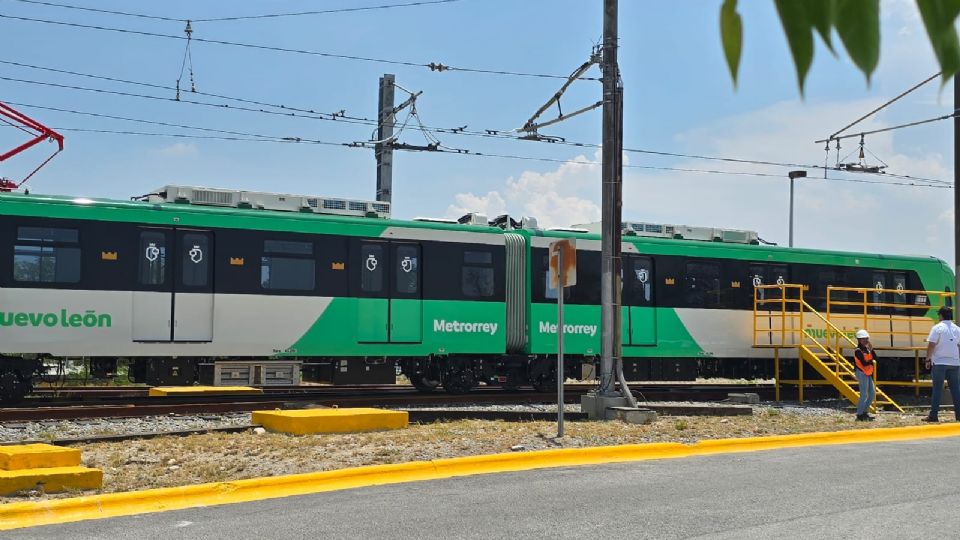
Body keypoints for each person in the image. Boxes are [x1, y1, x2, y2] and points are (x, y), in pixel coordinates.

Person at [922, 306, 960, 422]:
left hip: (939, 363)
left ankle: (933, 415)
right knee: (956, 390)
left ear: (941, 315)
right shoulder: (957, 329)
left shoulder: (937, 328)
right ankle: (959, 415)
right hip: (954, 363)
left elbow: (931, 345)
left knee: (937, 389)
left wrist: (928, 360)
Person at [853, 329, 876, 421]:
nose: (865, 340)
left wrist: (871, 349)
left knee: (872, 394)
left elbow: (876, 358)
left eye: (866, 338)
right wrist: (870, 361)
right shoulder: (857, 350)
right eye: (863, 339)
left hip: (867, 373)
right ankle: (859, 414)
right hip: (861, 373)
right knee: (864, 394)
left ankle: (865, 412)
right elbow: (864, 363)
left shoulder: (867, 350)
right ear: (859, 340)